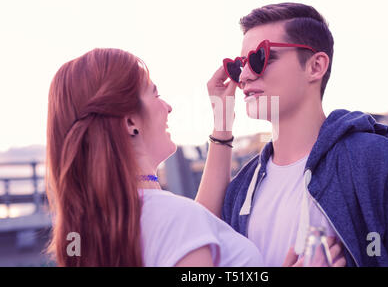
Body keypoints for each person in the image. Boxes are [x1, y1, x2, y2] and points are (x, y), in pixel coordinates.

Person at [196, 2, 388, 266]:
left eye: (261, 57)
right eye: (239, 64)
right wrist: (222, 121)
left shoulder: (375, 160)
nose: (245, 76)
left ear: (315, 66)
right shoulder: (242, 187)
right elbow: (195, 252)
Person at [45, 48, 267, 266]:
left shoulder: (86, 231)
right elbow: (181, 226)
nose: (168, 107)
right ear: (130, 122)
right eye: (156, 94)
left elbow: (189, 226)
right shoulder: (176, 219)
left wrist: (222, 123)